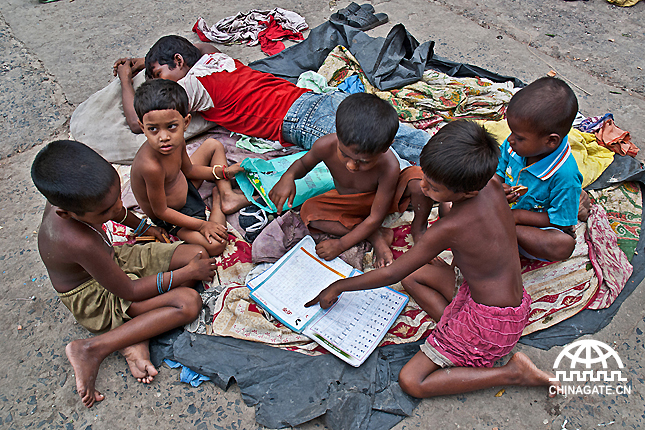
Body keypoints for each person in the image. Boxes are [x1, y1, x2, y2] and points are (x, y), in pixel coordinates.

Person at [305, 120, 558, 398]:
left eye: (434, 188)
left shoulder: (451, 228)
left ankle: (512, 372)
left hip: (491, 324)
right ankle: (456, 332)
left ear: (468, 191)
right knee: (414, 276)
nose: (423, 188)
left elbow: (391, 273)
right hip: (502, 301)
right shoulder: (493, 185)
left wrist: (338, 286)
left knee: (412, 381)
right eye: (425, 177)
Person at [32, 140, 217, 408]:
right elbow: (128, 291)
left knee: (197, 253)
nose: (116, 208)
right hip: (96, 295)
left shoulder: (81, 202)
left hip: (112, 261)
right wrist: (186, 274)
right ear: (66, 214)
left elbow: (117, 211)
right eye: (104, 212)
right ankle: (94, 348)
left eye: (117, 197)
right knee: (188, 302)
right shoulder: (78, 241)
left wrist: (144, 226)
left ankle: (135, 333)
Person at [113, 35, 430, 165]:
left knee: (381, 158)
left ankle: (456, 169)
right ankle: (454, 154)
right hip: (316, 101)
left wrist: (128, 77)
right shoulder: (216, 59)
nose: (158, 84)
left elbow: (136, 120)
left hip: (301, 120)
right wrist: (149, 59)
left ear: (180, 61)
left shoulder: (193, 85)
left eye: (159, 74)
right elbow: (203, 44)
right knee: (398, 136)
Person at [269, 93, 431, 267]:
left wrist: (341, 244)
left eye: (364, 162)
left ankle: (419, 228)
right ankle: (375, 236)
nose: (352, 166)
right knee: (309, 211)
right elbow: (303, 163)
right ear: (338, 134)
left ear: (385, 147)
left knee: (419, 179)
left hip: (384, 198)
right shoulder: (326, 145)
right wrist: (288, 176)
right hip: (349, 202)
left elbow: (376, 216)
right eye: (345, 155)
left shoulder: (389, 166)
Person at [130, 79, 248, 257]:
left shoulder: (176, 142)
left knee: (213, 145)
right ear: (142, 127)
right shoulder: (151, 167)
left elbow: (189, 171)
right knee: (216, 246)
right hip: (173, 215)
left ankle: (227, 195)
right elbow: (161, 211)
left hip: (182, 185)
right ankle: (218, 204)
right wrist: (202, 225)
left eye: (171, 127)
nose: (163, 137)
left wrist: (224, 172)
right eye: (153, 129)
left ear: (186, 123)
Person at [496, 76, 583, 262]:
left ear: (551, 141)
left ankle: (507, 234)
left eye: (519, 137)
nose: (510, 139)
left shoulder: (565, 175)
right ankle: (501, 232)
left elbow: (559, 219)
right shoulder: (514, 146)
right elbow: (496, 173)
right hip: (501, 213)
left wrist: (517, 217)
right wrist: (496, 188)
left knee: (562, 245)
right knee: (452, 204)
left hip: (532, 229)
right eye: (511, 132)